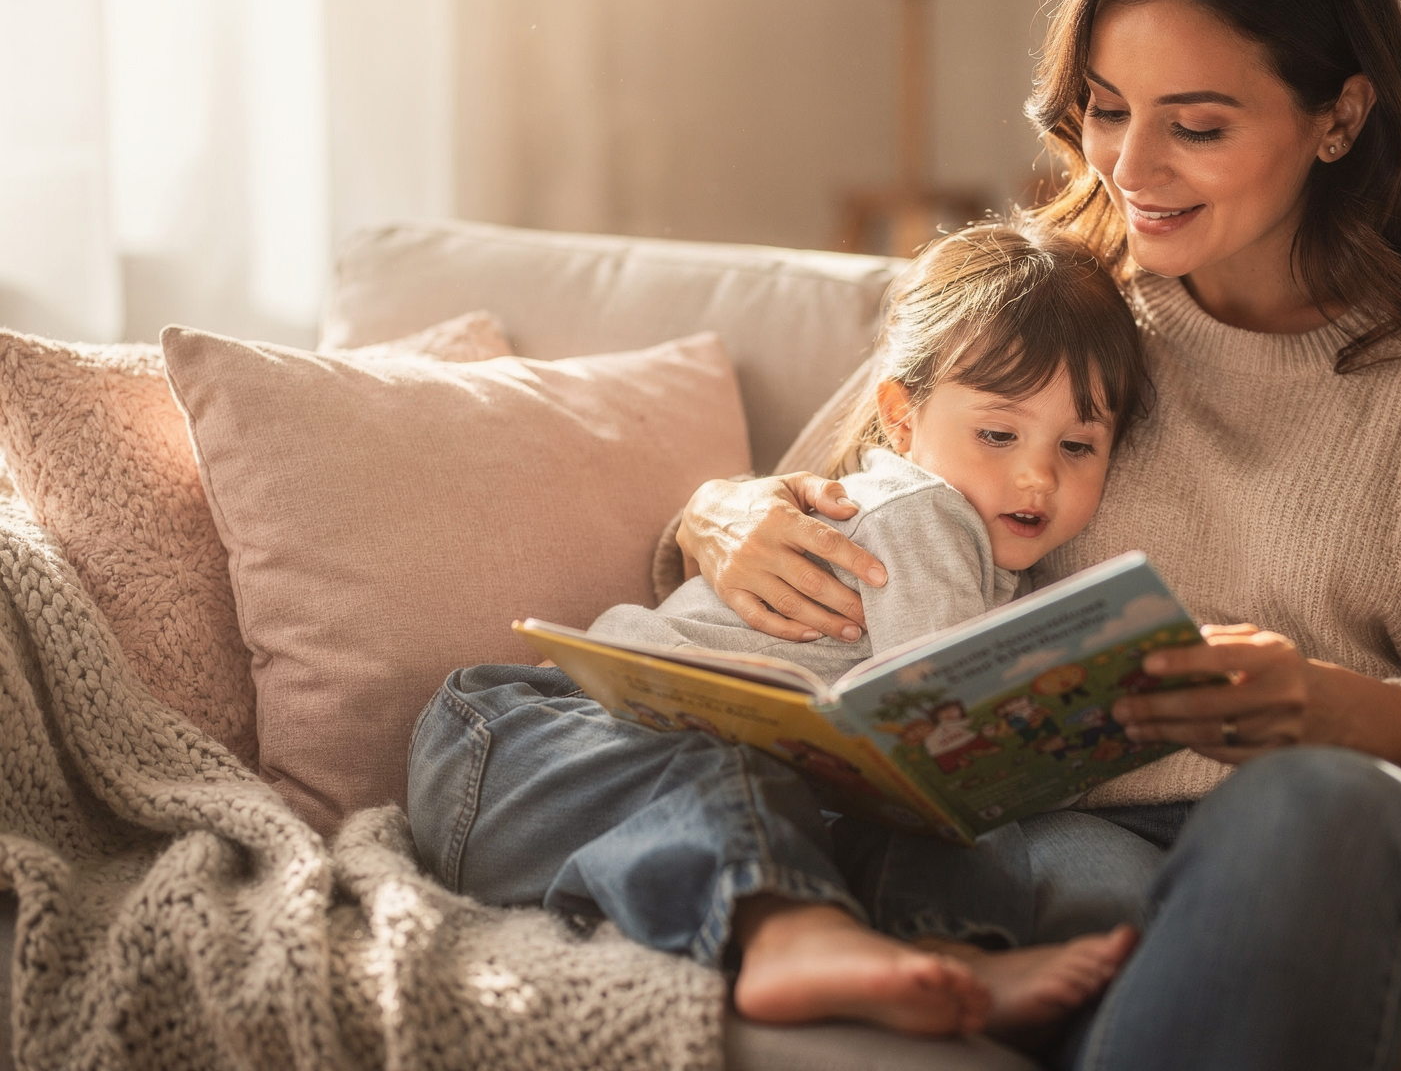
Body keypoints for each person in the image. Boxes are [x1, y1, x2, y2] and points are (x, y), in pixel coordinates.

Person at [669, 0, 1401, 1069]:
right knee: (1001, 866)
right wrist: (721, 516)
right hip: (1065, 852)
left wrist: (1318, 706)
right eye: (1107, 109)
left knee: (1295, 801)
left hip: (1378, 838)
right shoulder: (1060, 300)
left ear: (1341, 114)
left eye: (1198, 126)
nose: (1131, 165)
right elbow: (809, 513)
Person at [408, 221, 1154, 1042]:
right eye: (999, 434)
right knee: (776, 777)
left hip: (577, 827)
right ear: (901, 420)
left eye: (1078, 445)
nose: (1036, 475)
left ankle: (883, 948)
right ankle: (816, 938)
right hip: (529, 737)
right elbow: (956, 735)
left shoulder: (994, 575)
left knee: (845, 805)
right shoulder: (922, 512)